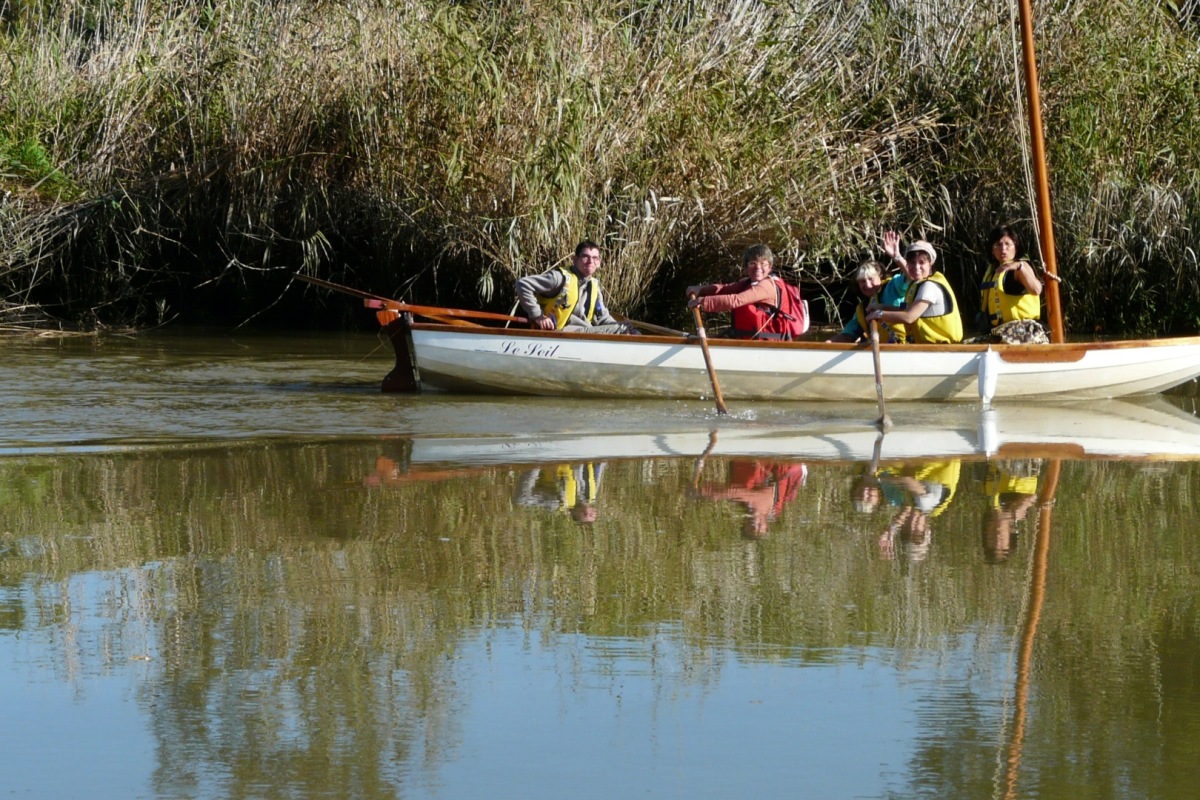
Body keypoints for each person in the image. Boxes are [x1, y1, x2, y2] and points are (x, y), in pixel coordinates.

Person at [686, 244, 808, 340]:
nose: (758, 268)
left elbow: (737, 300)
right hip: (747, 339)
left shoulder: (767, 286)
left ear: (770, 267)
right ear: (746, 267)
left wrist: (703, 302)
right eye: (752, 263)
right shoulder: (747, 282)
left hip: (766, 346)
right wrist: (700, 290)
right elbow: (724, 288)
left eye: (763, 264)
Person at [515, 240, 637, 334]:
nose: (590, 261)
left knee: (626, 328)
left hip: (584, 331)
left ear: (598, 263)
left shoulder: (594, 285)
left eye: (595, 258)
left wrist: (618, 326)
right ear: (575, 259)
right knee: (622, 329)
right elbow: (523, 284)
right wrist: (538, 316)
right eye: (585, 257)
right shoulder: (559, 278)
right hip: (561, 332)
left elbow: (602, 316)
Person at [867, 232, 963, 344]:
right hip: (925, 346)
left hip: (940, 349)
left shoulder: (929, 287)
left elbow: (909, 317)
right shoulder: (916, 284)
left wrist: (879, 314)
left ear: (930, 263)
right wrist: (881, 307)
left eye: (922, 262)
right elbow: (904, 311)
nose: (916, 267)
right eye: (912, 262)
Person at [695, 459, 808, 538]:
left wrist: (704, 492)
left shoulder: (741, 502)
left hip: (761, 461)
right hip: (785, 461)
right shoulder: (772, 508)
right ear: (766, 525)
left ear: (745, 522)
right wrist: (718, 493)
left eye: (751, 527)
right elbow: (759, 497)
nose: (755, 525)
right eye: (760, 528)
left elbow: (736, 494)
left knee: (744, 481)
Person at [827, 259, 909, 343]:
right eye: (862, 281)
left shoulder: (893, 286)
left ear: (880, 276)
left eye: (871, 279)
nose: (868, 285)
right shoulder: (862, 309)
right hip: (883, 349)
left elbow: (910, 277)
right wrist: (829, 343)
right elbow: (848, 335)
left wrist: (897, 256)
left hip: (906, 345)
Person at [514, 462, 605, 524]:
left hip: (555, 456)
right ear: (595, 511)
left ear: (573, 514)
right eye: (591, 515)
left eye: (585, 515)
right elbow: (599, 466)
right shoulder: (592, 494)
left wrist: (536, 465)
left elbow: (521, 498)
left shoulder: (557, 502)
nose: (587, 512)